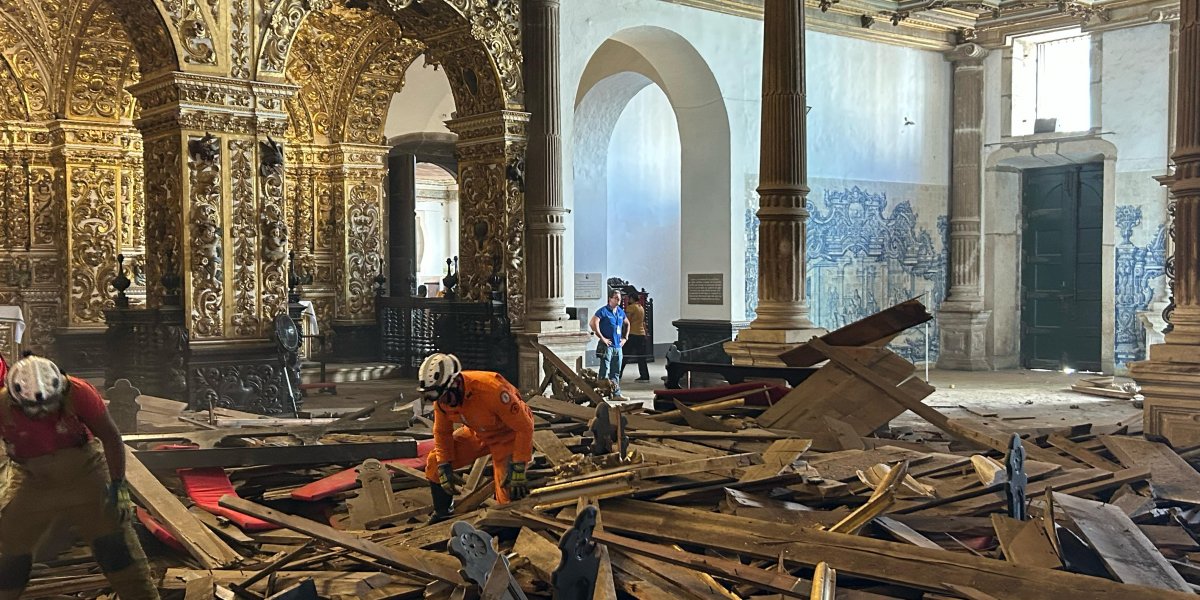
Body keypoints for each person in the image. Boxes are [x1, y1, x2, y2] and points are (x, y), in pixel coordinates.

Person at [0, 354, 158, 600]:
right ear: (14, 397)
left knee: (115, 546)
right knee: (10, 549)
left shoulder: (79, 392)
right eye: (33, 409)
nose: (41, 414)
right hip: (35, 480)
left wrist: (118, 485)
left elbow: (111, 438)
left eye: (47, 407)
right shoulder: (2, 405)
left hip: (86, 474)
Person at [419, 353, 534, 523]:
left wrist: (519, 466)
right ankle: (443, 513)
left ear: (456, 384)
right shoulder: (442, 399)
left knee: (507, 488)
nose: (443, 402)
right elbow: (442, 433)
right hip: (478, 431)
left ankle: (510, 526)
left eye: (444, 397)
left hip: (507, 434)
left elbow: (524, 427)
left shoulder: (492, 389)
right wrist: (444, 465)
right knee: (435, 462)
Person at [589, 289, 629, 398]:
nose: (618, 300)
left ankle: (615, 393)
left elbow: (627, 323)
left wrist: (625, 338)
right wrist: (602, 337)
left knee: (616, 371)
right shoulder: (603, 311)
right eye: (616, 298)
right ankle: (601, 394)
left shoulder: (620, 311)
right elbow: (593, 323)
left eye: (619, 298)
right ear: (610, 299)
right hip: (608, 346)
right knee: (604, 370)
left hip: (617, 346)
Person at [621, 294, 650, 382]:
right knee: (641, 357)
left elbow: (627, 321)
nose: (628, 299)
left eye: (629, 298)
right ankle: (644, 375)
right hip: (641, 333)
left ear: (632, 299)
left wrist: (623, 333)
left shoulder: (631, 308)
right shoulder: (641, 307)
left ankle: (618, 373)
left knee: (624, 355)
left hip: (632, 333)